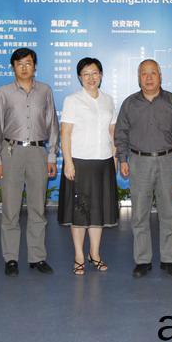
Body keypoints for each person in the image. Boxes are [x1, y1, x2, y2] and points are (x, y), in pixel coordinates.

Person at [115, 59, 172, 278]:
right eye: (144, 74)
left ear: (160, 76)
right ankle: (143, 260)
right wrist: (123, 159)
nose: (148, 78)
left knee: (168, 213)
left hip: (167, 161)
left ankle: (169, 259)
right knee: (139, 214)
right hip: (138, 162)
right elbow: (121, 133)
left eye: (153, 73)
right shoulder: (130, 103)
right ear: (138, 78)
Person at [0, 48, 58, 276]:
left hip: (38, 152)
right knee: (11, 208)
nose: (24, 67)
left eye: (28, 63)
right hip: (11, 153)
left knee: (38, 208)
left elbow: (52, 124)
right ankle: (11, 258)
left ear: (34, 66)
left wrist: (51, 155)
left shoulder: (45, 90)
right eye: (19, 64)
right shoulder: (4, 92)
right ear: (13, 67)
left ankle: (37, 257)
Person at [57, 57, 118, 275]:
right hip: (80, 162)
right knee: (80, 212)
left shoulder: (108, 100)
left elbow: (112, 131)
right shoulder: (72, 100)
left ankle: (95, 254)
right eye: (86, 74)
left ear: (101, 75)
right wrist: (68, 162)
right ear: (79, 77)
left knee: (97, 212)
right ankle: (79, 256)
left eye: (95, 73)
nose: (91, 78)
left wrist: (115, 157)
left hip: (104, 162)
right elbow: (65, 133)